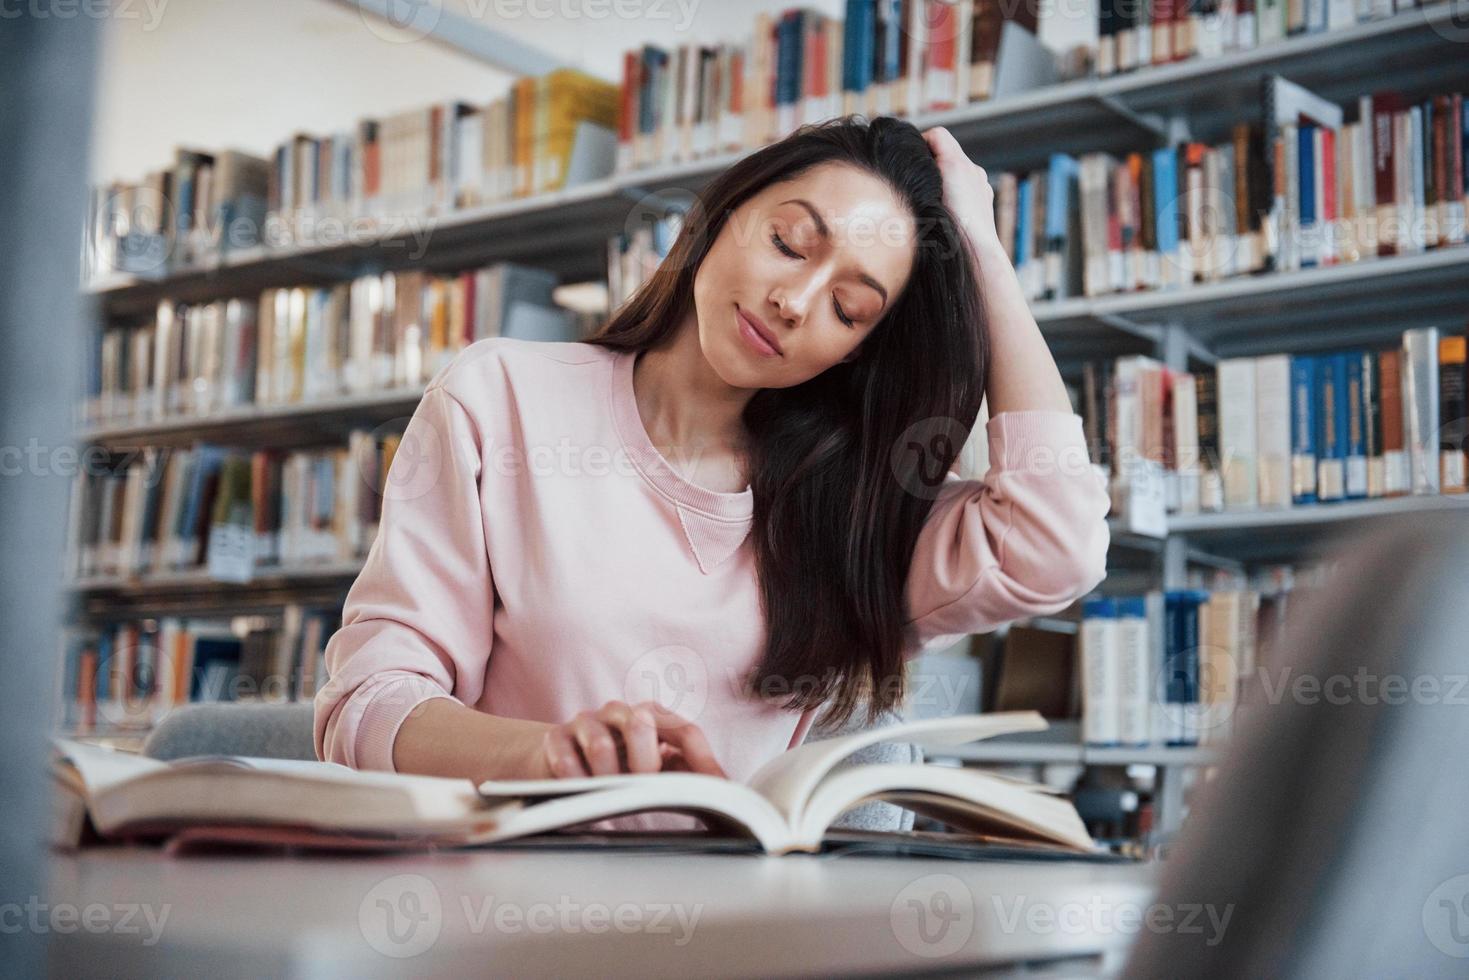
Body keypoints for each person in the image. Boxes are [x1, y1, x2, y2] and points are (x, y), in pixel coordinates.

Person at [312, 115, 1111, 832]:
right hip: (499, 906)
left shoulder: (856, 512)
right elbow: (366, 703)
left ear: (856, 350)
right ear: (722, 214)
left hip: (732, 928)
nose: (795, 301)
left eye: (849, 309)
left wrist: (983, 258)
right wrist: (552, 758)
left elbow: (1058, 544)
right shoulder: (500, 398)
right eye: (789, 243)